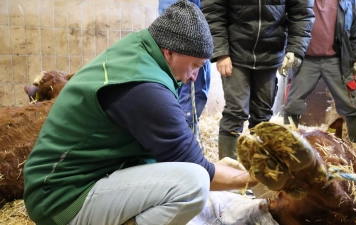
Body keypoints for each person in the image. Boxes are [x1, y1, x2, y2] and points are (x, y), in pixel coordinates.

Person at [23, 1, 257, 225]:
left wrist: (218, 168)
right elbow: (196, 168)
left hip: (71, 180)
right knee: (194, 184)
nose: (195, 76)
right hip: (60, 200)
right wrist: (253, 179)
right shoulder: (145, 89)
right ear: (169, 53)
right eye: (195, 66)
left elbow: (177, 154)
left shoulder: (141, 49)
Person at [201, 0, 315, 159]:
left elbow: (301, 13)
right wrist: (221, 52)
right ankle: (229, 171)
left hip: (271, 52)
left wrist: (295, 49)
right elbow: (213, 11)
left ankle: (259, 170)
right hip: (236, 52)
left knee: (262, 116)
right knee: (235, 112)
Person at [282, 0, 356, 144]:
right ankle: (287, 146)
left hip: (336, 60)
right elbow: (286, 24)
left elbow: (354, 35)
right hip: (305, 60)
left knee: (350, 105)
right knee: (292, 104)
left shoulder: (348, 3)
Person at [158, 0, 211, 133]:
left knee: (197, 88)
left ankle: (188, 133)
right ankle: (183, 135)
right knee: (186, 93)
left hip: (201, 35)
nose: (194, 75)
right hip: (187, 39)